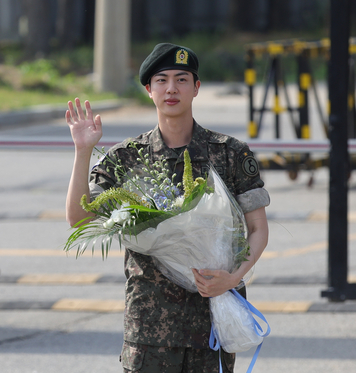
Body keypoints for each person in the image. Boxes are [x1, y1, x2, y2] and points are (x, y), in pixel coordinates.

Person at [65, 43, 269, 373]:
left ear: (197, 88)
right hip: (150, 329)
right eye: (161, 80)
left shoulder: (229, 153)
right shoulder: (126, 158)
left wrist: (232, 278)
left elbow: (258, 229)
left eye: (182, 79)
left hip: (212, 322)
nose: (171, 88)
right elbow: (79, 217)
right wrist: (83, 151)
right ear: (148, 90)